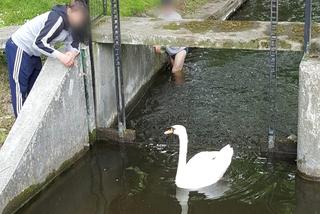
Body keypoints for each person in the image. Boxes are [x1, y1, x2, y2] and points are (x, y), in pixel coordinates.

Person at [5, 0, 88, 117]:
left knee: (34, 86)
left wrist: (72, 53)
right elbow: (39, 43)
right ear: (70, 11)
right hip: (20, 47)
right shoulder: (57, 19)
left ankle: (33, 117)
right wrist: (62, 57)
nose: (79, 21)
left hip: (34, 53)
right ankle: (21, 124)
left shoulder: (73, 23)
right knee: (20, 88)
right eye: (78, 16)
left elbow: (73, 41)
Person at [154, 0, 188, 74]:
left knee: (175, 71)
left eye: (168, 7)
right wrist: (157, 43)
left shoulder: (177, 17)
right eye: (165, 7)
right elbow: (156, 33)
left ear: (171, 7)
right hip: (170, 51)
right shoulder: (160, 17)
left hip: (180, 49)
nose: (166, 9)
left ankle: (180, 85)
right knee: (178, 72)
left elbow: (182, 34)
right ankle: (181, 83)